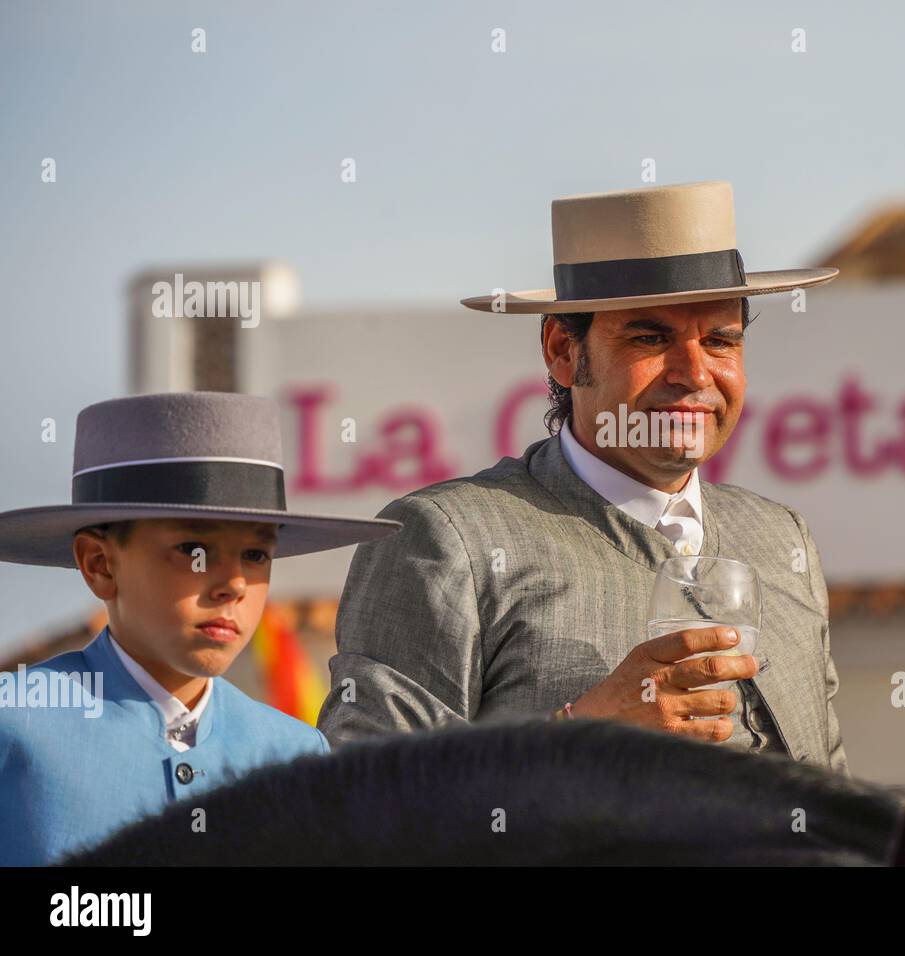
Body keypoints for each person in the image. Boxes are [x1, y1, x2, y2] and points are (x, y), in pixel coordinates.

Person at [318, 180, 850, 773]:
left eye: (721, 340)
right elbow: (363, 805)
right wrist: (580, 738)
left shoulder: (782, 539)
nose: (694, 371)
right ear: (563, 351)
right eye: (650, 336)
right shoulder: (448, 541)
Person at [0, 391, 401, 865]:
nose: (233, 584)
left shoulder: (293, 754)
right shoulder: (16, 723)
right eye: (195, 550)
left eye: (255, 555)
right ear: (100, 564)